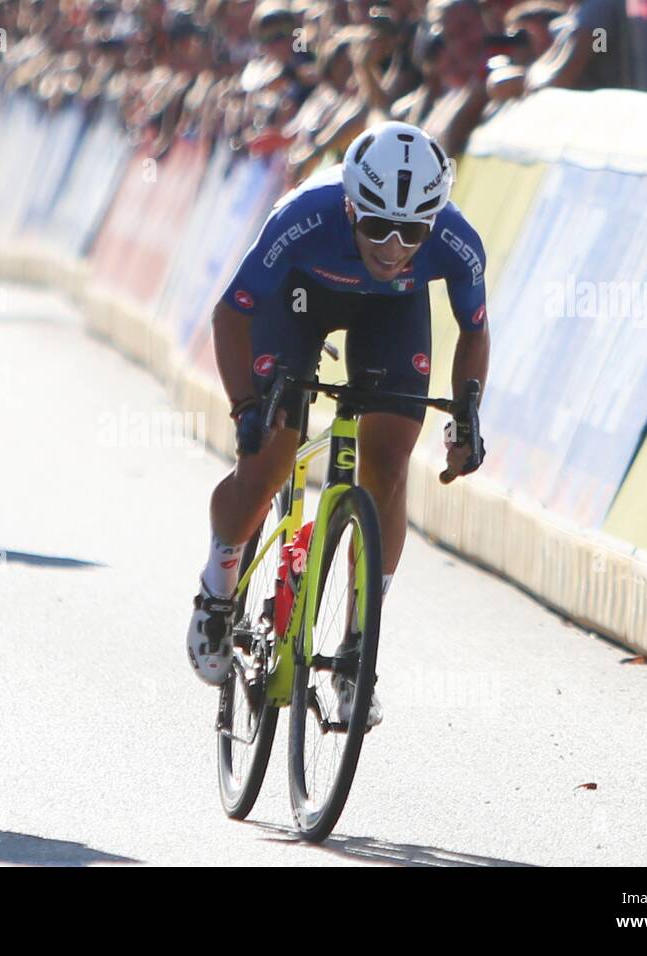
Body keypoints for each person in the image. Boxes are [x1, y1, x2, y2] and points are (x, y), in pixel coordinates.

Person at [184, 121, 490, 725]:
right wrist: (245, 407)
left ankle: (356, 651)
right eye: (377, 226)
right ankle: (218, 592)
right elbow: (229, 316)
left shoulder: (456, 240)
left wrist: (466, 418)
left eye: (412, 232)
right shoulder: (304, 216)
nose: (394, 247)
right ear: (351, 204)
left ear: (434, 221)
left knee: (390, 463)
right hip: (297, 300)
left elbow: (474, 331)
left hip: (393, 312)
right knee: (268, 462)